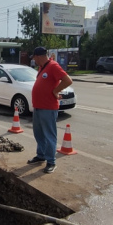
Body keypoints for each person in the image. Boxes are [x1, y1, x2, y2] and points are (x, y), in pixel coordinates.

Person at [28, 46, 73, 174]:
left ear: (38, 56)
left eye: (34, 58)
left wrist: (55, 91)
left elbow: (68, 80)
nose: (34, 60)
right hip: (38, 106)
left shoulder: (53, 66)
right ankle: (40, 155)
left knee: (49, 136)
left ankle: (51, 162)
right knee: (39, 134)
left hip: (48, 107)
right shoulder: (42, 67)